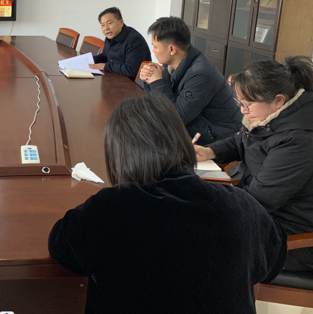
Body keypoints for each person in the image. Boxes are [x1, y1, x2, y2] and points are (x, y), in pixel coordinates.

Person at [48, 93, 286, 314]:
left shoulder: (108, 209)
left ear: (118, 153)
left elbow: (60, 247)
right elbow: (272, 260)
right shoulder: (241, 205)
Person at [196, 56, 313, 271]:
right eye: (239, 103)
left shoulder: (298, 139)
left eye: (247, 105)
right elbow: (242, 140)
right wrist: (209, 151)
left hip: (290, 235)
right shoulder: (271, 117)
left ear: (278, 100)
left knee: (199, 243)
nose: (242, 110)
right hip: (260, 211)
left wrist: (208, 198)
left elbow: (261, 200)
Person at [139, 16, 241, 145]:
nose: (153, 51)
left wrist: (156, 82)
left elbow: (176, 118)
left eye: (155, 47)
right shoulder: (173, 64)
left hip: (216, 139)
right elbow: (159, 105)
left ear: (172, 49)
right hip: (193, 128)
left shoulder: (201, 73)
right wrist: (150, 80)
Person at [88, 7, 151, 81]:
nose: (106, 28)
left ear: (121, 22)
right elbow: (105, 55)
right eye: (103, 25)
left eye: (109, 23)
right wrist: (92, 60)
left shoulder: (134, 40)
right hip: (114, 79)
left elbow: (131, 70)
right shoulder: (110, 37)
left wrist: (105, 66)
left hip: (130, 84)